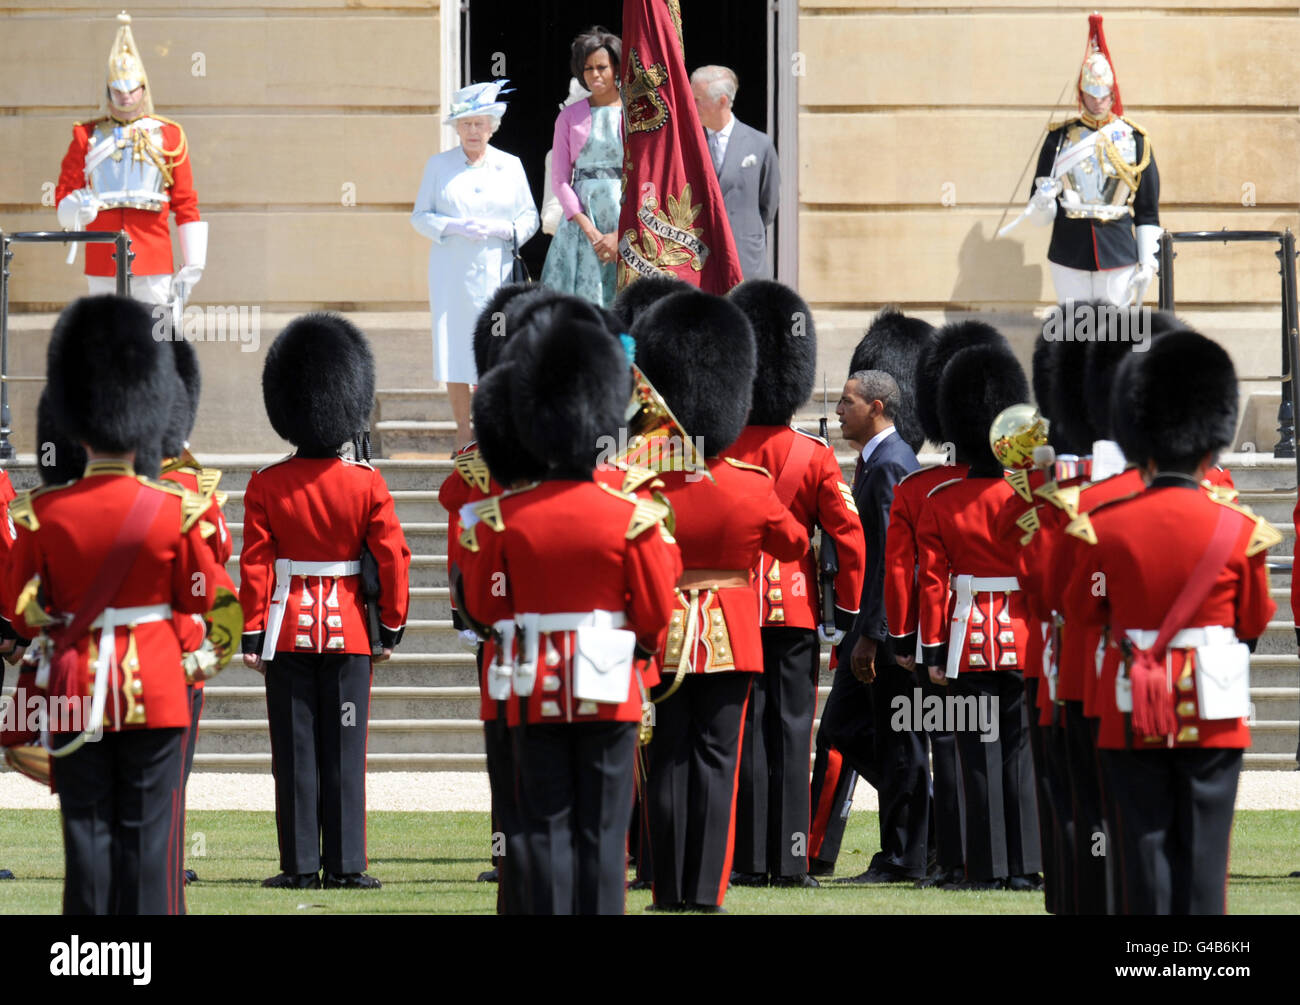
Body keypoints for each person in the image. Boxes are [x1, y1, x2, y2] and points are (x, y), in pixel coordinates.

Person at [459, 304, 680, 915]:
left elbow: (479, 607)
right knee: (604, 837)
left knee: (540, 830)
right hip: (610, 685)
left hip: (532, 687)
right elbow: (656, 613)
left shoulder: (500, 519)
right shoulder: (634, 516)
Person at [5, 295, 220, 914]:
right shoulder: (175, 510)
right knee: (148, 850)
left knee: (87, 845)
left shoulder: (43, 516)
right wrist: (197, 665)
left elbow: (24, 615)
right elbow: (217, 606)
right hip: (155, 686)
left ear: (74, 422)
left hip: (74, 688)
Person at [1063, 330, 1277, 914]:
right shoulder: (1241, 529)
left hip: (1130, 702)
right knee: (1205, 853)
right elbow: (1255, 617)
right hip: (1212, 704)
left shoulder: (1103, 527)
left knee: (1143, 848)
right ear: (1211, 446)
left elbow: (1082, 611)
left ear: (1143, 442)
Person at [631, 289, 808, 912]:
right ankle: (706, 892)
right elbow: (792, 546)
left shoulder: (647, 479)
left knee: (667, 759)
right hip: (733, 634)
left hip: (665, 632)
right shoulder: (751, 485)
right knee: (718, 763)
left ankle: (668, 889)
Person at [240, 313, 411, 891]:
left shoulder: (266, 484)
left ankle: (299, 866)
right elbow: (392, 557)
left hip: (286, 631)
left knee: (294, 753)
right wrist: (389, 626)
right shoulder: (366, 482)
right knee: (346, 750)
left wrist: (252, 632)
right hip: (350, 635)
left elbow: (257, 564)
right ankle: (347, 864)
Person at [726, 281, 866, 890]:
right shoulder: (812, 455)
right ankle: (790, 860)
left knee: (744, 734)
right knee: (790, 733)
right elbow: (851, 539)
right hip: (794, 612)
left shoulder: (719, 447)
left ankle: (749, 858)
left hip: (730, 606)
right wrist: (850, 616)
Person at [916, 341, 1042, 891]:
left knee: (976, 753)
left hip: (967, 638)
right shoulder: (1032, 496)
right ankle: (1025, 864)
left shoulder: (941, 499)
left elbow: (932, 581)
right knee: (1023, 752)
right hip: (1024, 634)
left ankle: (984, 866)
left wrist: (933, 650)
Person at [826, 371, 926, 884]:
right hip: (866, 626)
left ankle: (905, 854)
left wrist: (872, 634)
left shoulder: (890, 465)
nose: (840, 410)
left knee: (899, 742)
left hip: (884, 633)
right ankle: (919, 828)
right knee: (845, 729)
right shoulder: (877, 462)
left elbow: (891, 558)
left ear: (877, 406)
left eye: (848, 402)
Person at [411, 80, 540, 450]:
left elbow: (529, 217)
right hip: (451, 272)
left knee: (495, 344)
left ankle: (493, 422)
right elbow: (419, 216)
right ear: (456, 128)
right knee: (454, 347)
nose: (472, 130)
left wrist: (506, 229)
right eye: (465, 124)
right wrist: (450, 226)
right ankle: (463, 428)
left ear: (491, 126)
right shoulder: (438, 166)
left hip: (496, 271)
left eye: (479, 123)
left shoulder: (510, 165)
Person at [55, 12, 205, 308]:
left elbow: (186, 204)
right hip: (103, 259)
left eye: (131, 89)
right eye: (117, 90)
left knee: (156, 341)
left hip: (153, 258)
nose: (125, 97)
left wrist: (194, 262)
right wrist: (75, 208)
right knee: (105, 343)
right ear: (108, 91)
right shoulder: (86, 136)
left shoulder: (170, 136)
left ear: (143, 89)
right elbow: (63, 194)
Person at [1021, 15, 1159, 306]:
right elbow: (1038, 216)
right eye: (1091, 94)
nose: (1098, 101)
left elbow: (1147, 210)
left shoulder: (1134, 139)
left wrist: (1148, 262)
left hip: (1118, 250)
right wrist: (1043, 202)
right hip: (1069, 250)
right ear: (1080, 95)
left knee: (1116, 338)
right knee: (1074, 337)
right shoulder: (1058, 139)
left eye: (1104, 94)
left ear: (1113, 93)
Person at [539, 27, 624, 308]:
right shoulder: (569, 116)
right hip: (580, 223)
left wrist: (619, 234)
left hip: (627, 217)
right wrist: (591, 232)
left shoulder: (636, 114)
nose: (595, 75)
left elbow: (647, 175)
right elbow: (561, 179)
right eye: (587, 68)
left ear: (616, 68)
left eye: (602, 67)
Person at [690, 65, 780, 281]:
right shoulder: (688, 144)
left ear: (722, 101)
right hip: (699, 259)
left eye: (698, 99)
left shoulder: (760, 144)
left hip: (745, 258)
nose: (692, 106)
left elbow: (768, 206)